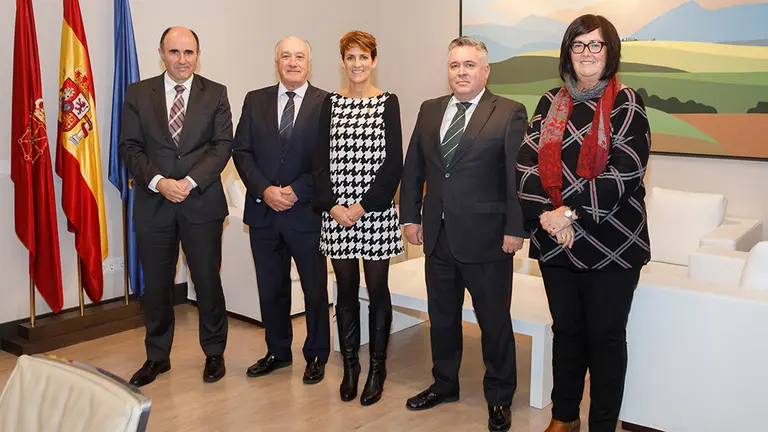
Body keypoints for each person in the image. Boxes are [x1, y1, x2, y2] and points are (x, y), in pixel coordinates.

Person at [515, 14, 651, 432]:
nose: (587, 53)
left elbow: (624, 173)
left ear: (610, 52)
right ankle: (565, 416)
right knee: (567, 333)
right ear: (567, 52)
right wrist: (549, 217)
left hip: (614, 245)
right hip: (557, 243)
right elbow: (525, 164)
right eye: (579, 45)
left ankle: (603, 425)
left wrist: (569, 213)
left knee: (606, 342)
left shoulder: (628, 102)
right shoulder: (549, 101)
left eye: (596, 45)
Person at [399, 36, 528, 432]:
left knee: (494, 322)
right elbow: (414, 168)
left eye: (469, 65)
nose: (461, 72)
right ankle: (444, 383)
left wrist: (514, 228)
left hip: (489, 237)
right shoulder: (429, 109)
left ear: (485, 71)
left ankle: (500, 396)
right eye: (455, 65)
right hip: (438, 235)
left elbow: (515, 176)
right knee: (441, 317)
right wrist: (410, 217)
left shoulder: (508, 112)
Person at [119, 27, 232, 387]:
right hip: (154, 204)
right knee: (156, 286)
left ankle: (214, 353)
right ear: (161, 53)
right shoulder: (138, 93)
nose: (182, 60)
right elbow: (130, 147)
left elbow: (222, 145)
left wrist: (187, 183)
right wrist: (160, 183)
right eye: (174, 52)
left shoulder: (215, 93)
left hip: (201, 204)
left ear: (198, 54)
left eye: (189, 52)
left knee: (207, 282)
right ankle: (157, 357)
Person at [312, 30, 403, 406]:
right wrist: (334, 206)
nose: (357, 64)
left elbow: (393, 163)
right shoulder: (330, 104)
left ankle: (378, 368)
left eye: (363, 57)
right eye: (350, 57)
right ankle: (351, 366)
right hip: (336, 213)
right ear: (343, 62)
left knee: (377, 291)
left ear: (374, 61)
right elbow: (318, 162)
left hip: (375, 213)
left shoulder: (388, 102)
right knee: (346, 291)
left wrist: (362, 207)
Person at [232, 36, 330, 384]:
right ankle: (277, 351)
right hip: (264, 213)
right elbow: (241, 152)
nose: (292, 62)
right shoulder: (255, 100)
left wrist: (294, 191)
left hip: (305, 213)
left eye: (299, 56)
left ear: (309, 62)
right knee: (271, 287)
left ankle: (317, 354)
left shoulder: (327, 103)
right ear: (277, 62)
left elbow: (327, 161)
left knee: (315, 289)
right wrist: (265, 190)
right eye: (286, 56)